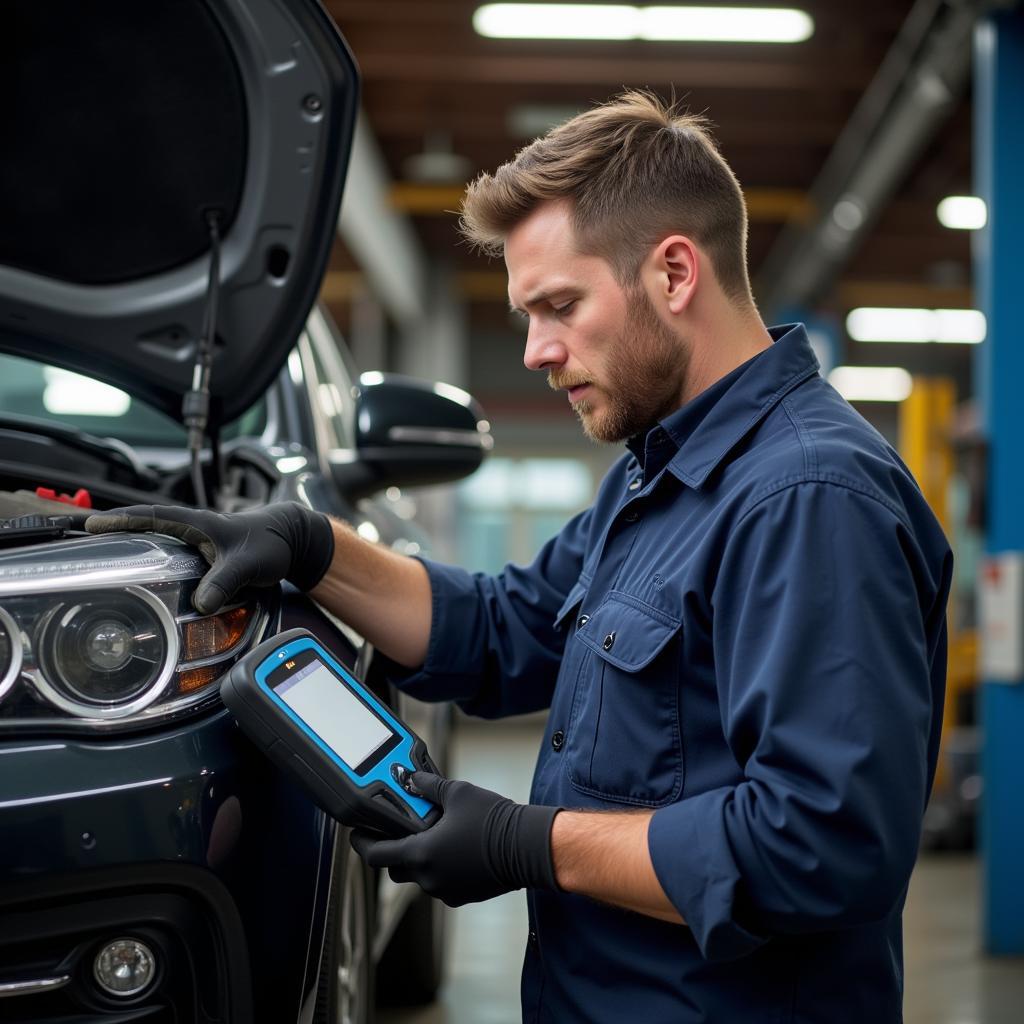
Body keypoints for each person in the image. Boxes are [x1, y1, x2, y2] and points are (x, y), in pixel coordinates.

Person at [86, 91, 953, 1023]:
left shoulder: (809, 497)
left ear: (673, 273)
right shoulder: (654, 475)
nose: (537, 350)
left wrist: (528, 846)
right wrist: (309, 544)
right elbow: (505, 627)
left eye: (560, 306)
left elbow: (823, 849)